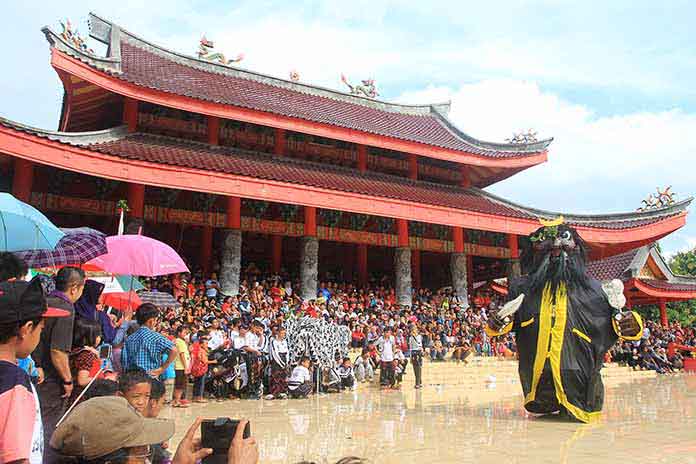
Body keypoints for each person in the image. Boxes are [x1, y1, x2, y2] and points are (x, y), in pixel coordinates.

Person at [0, 278, 70, 464]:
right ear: (26, 329)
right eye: (41, 328)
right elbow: (15, 458)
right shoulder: (14, 382)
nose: (40, 333)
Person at [33, 266, 85, 460]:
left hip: (34, 372)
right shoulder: (65, 308)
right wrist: (68, 380)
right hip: (50, 380)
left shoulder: (43, 302)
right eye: (81, 289)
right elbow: (57, 351)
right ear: (74, 288)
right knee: (47, 429)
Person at [121, 303, 178, 377]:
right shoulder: (156, 337)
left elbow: (125, 362)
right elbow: (174, 350)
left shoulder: (129, 339)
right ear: (151, 321)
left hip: (133, 378)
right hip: (151, 378)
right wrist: (162, 368)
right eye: (156, 320)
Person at [70, 317, 105, 403]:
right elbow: (82, 380)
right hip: (85, 397)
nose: (100, 337)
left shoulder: (76, 350)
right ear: (90, 336)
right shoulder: (87, 354)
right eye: (98, 335)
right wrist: (104, 381)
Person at [266, 326, 289, 400]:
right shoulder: (274, 341)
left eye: (284, 333)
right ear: (278, 333)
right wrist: (280, 363)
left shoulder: (285, 341)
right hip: (277, 361)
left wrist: (286, 362)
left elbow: (287, 351)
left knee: (283, 376)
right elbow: (274, 353)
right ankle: (274, 392)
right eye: (282, 333)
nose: (283, 335)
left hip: (284, 358)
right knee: (275, 377)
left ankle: (282, 392)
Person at [190, 331, 211, 403]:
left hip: (196, 368)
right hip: (201, 368)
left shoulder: (195, 346)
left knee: (196, 383)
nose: (207, 344)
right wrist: (214, 361)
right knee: (201, 383)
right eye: (206, 343)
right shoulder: (201, 349)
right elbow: (204, 360)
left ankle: (195, 397)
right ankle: (200, 397)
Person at [173, 326, 191, 408]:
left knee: (180, 385)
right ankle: (176, 401)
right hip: (181, 366)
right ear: (179, 333)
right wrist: (186, 367)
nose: (185, 334)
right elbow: (182, 355)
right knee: (179, 385)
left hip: (181, 366)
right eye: (184, 332)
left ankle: (177, 400)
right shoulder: (179, 342)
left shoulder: (181, 341)